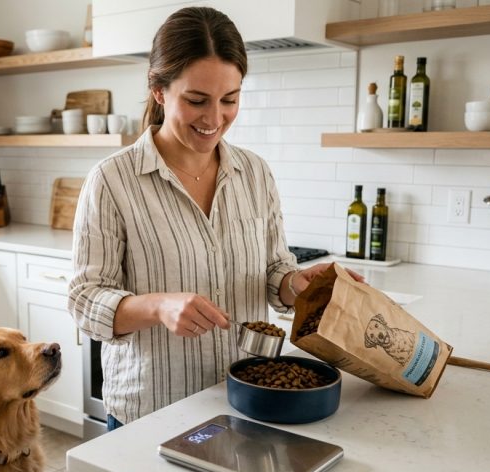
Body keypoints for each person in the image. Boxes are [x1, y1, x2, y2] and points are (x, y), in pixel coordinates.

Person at [68, 6, 360, 431]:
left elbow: (274, 268)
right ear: (158, 90)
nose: (214, 118)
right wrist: (157, 306)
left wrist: (295, 284)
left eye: (230, 99)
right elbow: (83, 300)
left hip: (246, 400)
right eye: (196, 100)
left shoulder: (254, 173)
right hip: (152, 412)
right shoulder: (112, 180)